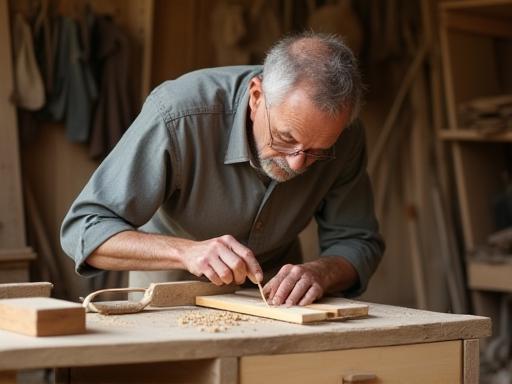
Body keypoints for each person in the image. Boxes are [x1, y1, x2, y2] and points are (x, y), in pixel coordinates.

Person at [61, 32, 385, 306]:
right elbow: (84, 229)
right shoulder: (179, 115)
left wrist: (321, 272)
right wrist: (186, 252)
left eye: (317, 151)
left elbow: (358, 241)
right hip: (170, 299)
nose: (297, 163)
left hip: (275, 305)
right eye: (285, 138)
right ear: (257, 97)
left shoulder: (342, 135)